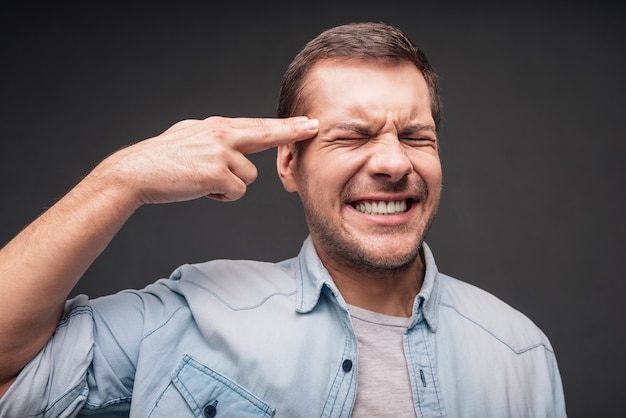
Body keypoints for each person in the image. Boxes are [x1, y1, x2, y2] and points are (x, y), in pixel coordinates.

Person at [0, 22, 566, 417]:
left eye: (417, 137)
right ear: (289, 162)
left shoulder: (522, 355)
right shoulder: (190, 315)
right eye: (352, 136)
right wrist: (119, 180)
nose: (395, 162)